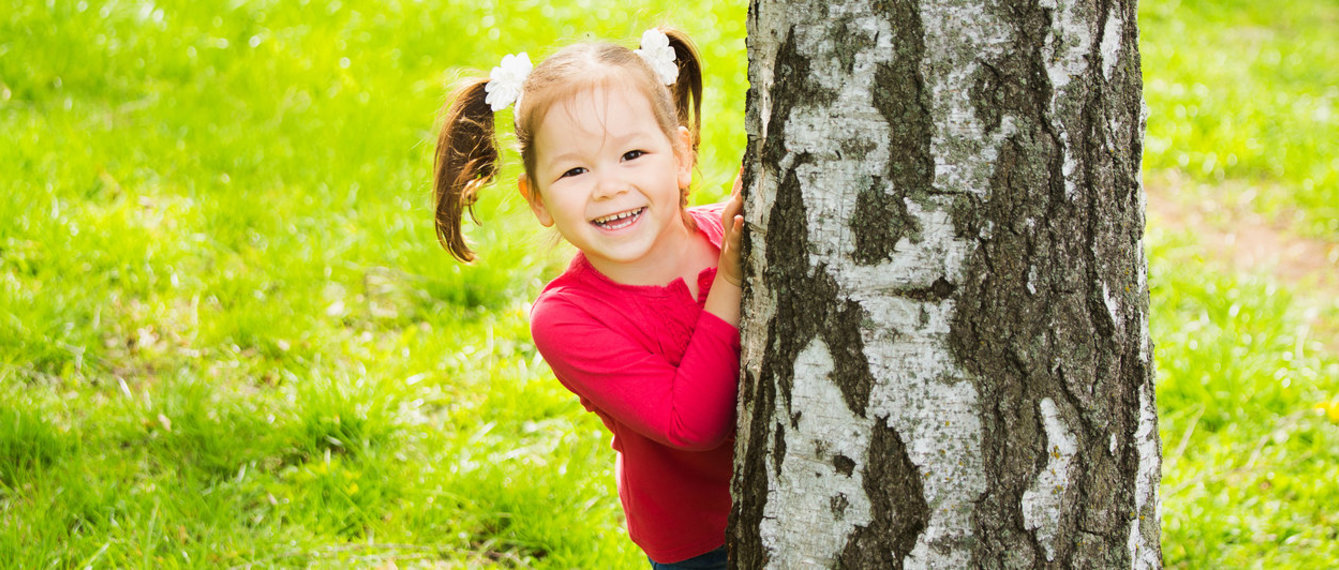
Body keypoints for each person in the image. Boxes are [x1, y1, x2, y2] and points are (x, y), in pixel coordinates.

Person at [431, 28, 743, 569]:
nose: (607, 187)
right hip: (701, 542)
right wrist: (733, 283)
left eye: (632, 154)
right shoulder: (567, 319)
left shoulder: (731, 232)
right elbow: (692, 424)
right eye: (574, 170)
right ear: (538, 200)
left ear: (681, 155)